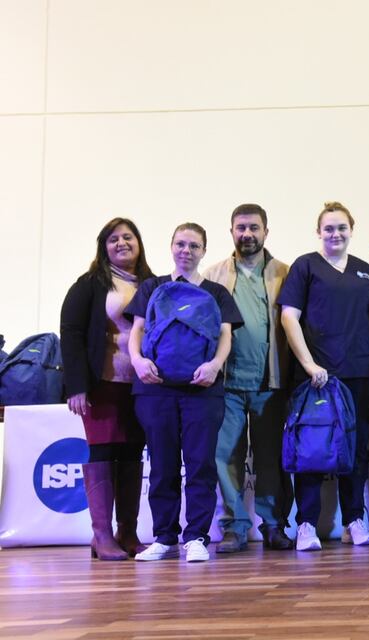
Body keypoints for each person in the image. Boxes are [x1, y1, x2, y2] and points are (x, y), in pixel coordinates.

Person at [126, 223, 243, 562]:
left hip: (202, 388)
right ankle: (164, 537)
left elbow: (226, 336)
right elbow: (138, 329)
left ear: (204, 251)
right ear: (171, 247)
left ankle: (196, 537)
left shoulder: (217, 293)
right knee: (161, 465)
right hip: (154, 388)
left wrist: (215, 366)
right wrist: (137, 361)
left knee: (200, 464)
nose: (186, 251)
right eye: (181, 244)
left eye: (194, 246)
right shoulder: (152, 287)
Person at [278, 202, 369, 550]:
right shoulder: (305, 267)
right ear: (318, 232)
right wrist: (308, 365)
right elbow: (289, 318)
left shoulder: (366, 272)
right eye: (329, 228)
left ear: (352, 229)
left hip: (358, 374)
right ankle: (306, 524)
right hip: (315, 377)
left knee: (355, 447)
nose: (335, 234)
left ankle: (354, 520)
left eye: (341, 228)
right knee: (311, 450)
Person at [60, 217, 154, 560]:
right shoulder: (89, 285)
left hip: (141, 386)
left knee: (131, 454)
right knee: (102, 452)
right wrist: (76, 387)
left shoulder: (150, 283)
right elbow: (70, 335)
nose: (121, 243)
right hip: (100, 385)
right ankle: (101, 536)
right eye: (113, 239)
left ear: (139, 243)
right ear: (104, 247)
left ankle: (127, 532)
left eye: (128, 237)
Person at [203, 204, 294, 553]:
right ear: (231, 232)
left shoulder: (285, 273)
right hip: (226, 384)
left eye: (254, 228)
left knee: (271, 458)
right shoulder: (213, 275)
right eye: (241, 228)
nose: (248, 234)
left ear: (266, 232)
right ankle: (234, 527)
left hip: (270, 383)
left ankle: (273, 525)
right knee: (224, 455)